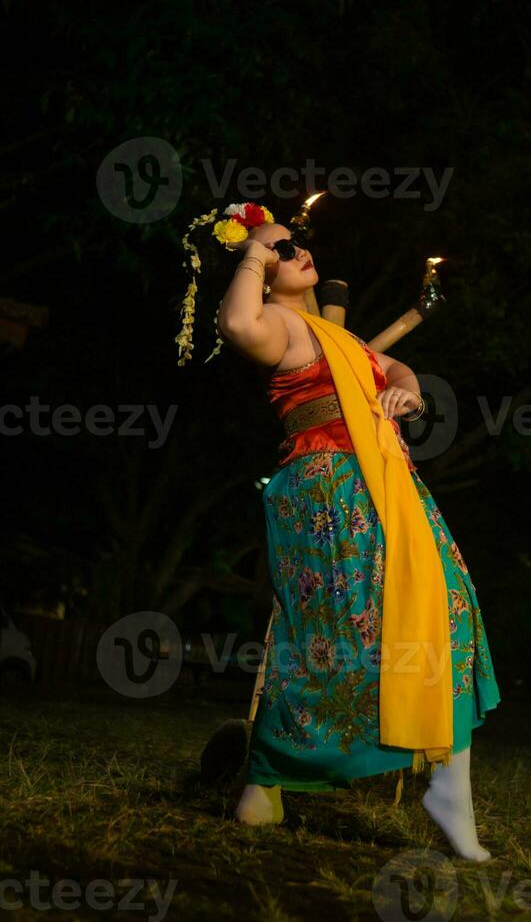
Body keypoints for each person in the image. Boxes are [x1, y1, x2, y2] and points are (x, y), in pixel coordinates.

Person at [208, 210, 501, 862]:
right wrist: (252, 253)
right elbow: (234, 324)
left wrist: (407, 392)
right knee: (337, 630)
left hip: (390, 484)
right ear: (260, 268)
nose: (296, 251)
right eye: (281, 248)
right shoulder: (280, 325)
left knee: (445, 608)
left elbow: (393, 368)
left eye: (296, 242)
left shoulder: (332, 336)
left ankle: (449, 789)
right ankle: (266, 778)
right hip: (327, 492)